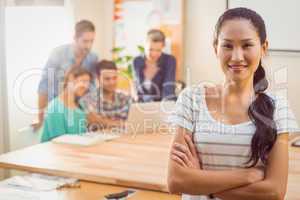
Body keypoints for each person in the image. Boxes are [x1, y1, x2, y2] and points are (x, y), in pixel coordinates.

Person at [167, 7, 299, 200]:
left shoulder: (278, 107)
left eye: (247, 45)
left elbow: (274, 191)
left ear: (263, 48)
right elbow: (176, 181)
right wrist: (247, 176)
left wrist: (201, 181)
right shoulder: (191, 99)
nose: (237, 56)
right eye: (227, 46)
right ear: (215, 48)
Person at [34, 19, 98, 130]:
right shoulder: (58, 54)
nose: (89, 45)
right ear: (75, 38)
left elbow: (91, 88)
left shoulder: (93, 58)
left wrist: (89, 112)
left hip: (77, 110)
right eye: (85, 41)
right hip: (57, 110)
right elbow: (44, 85)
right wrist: (41, 118)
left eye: (92, 41)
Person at [41, 67, 92, 142]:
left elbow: (83, 133)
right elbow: (59, 140)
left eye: (88, 82)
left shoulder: (80, 104)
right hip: (57, 151)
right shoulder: (55, 108)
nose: (86, 86)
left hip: (77, 149)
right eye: (83, 81)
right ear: (71, 79)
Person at [80, 60, 131, 130]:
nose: (112, 82)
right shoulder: (88, 99)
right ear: (98, 79)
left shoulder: (125, 98)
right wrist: (120, 124)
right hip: (98, 139)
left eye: (114, 78)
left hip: (124, 138)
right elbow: (96, 121)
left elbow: (133, 121)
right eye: (107, 79)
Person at [133, 29, 176, 102]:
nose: (154, 54)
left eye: (158, 50)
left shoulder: (169, 61)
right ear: (145, 45)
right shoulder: (137, 61)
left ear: (163, 47)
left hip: (162, 104)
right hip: (141, 105)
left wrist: (163, 107)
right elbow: (137, 86)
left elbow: (168, 87)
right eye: (150, 49)